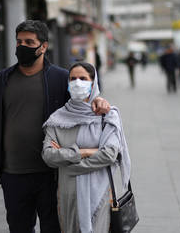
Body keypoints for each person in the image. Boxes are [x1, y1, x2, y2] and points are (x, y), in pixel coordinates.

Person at [0, 20, 110, 233]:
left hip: (52, 174)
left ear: (43, 46)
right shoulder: (2, 79)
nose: (22, 46)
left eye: (29, 42)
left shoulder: (60, 78)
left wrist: (99, 101)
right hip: (13, 173)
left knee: (54, 228)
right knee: (19, 228)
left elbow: (83, 103)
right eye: (19, 41)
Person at [41, 62, 131, 233]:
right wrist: (83, 152)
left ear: (93, 82)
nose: (77, 83)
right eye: (73, 79)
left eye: (83, 78)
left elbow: (110, 154)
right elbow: (48, 156)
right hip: (68, 194)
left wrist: (69, 163)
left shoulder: (106, 116)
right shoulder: (58, 119)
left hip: (100, 194)